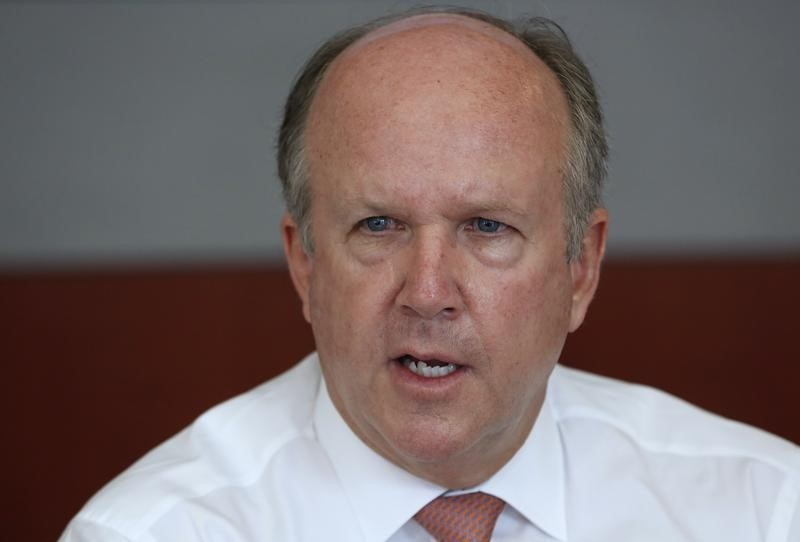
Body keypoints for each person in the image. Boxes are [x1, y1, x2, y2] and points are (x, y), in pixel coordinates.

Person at [61, 6, 799, 541]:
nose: (428, 292)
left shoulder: (762, 510)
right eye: (378, 225)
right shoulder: (155, 531)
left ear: (582, 267)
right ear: (304, 264)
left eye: (487, 228)